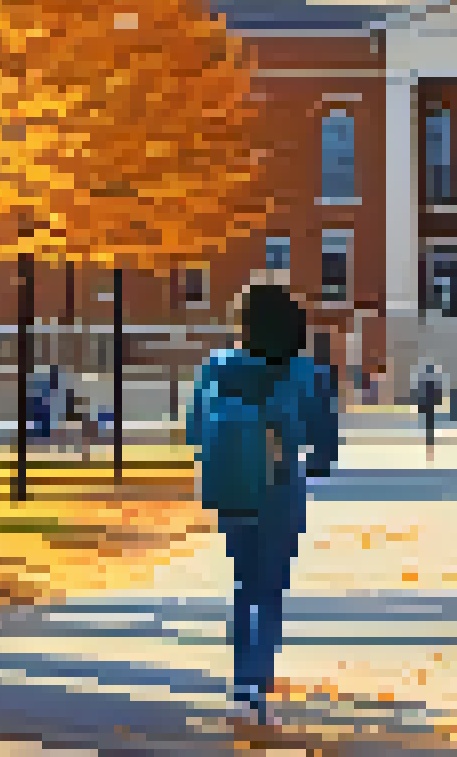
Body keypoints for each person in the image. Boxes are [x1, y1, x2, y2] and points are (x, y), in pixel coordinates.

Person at [188, 284, 339, 723]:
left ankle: (241, 684)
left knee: (243, 583)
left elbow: (194, 429)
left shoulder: (217, 366)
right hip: (280, 484)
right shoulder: (305, 370)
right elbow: (323, 438)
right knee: (270, 588)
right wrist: (317, 462)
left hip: (233, 484)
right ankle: (257, 684)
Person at [415, 364, 445, 460]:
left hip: (428, 407)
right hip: (430, 408)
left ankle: (429, 449)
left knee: (428, 428)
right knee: (429, 428)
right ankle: (430, 449)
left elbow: (419, 395)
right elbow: (437, 395)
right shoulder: (431, 384)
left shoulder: (423, 383)